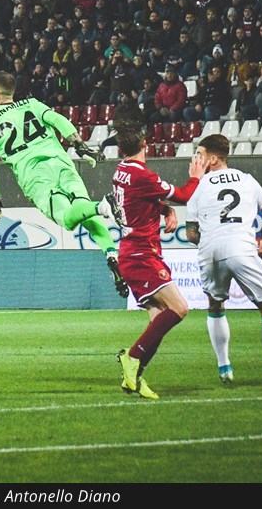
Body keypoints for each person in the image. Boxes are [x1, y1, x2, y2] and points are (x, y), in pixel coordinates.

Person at [0, 71, 122, 288]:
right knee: (83, 211)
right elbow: (59, 120)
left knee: (67, 219)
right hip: (62, 163)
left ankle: (103, 206)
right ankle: (112, 253)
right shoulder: (32, 104)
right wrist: (80, 146)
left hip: (36, 177)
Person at [185, 134, 262, 390]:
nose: (196, 160)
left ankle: (224, 366)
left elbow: (191, 234)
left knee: (215, 305)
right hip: (241, 246)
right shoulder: (246, 179)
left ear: (213, 159)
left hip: (209, 250)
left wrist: (211, 241)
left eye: (200, 155)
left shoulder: (198, 186)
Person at [103, 120, 207, 399]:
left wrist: (164, 210)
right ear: (145, 145)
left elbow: (137, 199)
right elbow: (183, 195)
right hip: (141, 255)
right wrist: (196, 176)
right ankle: (132, 357)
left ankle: (135, 377)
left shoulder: (121, 171)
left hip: (132, 252)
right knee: (180, 308)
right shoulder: (143, 176)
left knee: (158, 318)